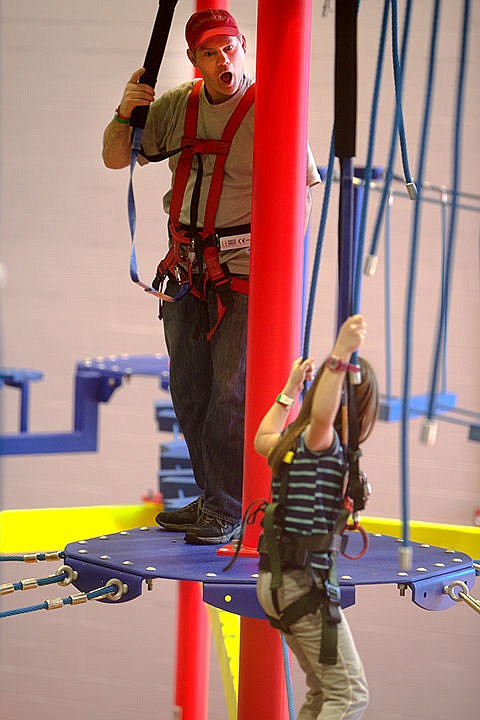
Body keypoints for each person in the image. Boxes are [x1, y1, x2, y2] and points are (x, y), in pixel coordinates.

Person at [102, 8, 320, 545]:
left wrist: (279, 271)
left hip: (245, 274)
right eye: (210, 53)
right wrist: (123, 112)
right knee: (190, 387)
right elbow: (114, 157)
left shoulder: (272, 106)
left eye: (230, 48)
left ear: (244, 46)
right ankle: (211, 496)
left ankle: (227, 506)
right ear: (196, 61)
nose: (224, 60)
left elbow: (302, 192)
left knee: (231, 393)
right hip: (184, 268)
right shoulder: (181, 105)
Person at [254, 314, 378, 720]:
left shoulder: (291, 443)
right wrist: (340, 353)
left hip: (276, 581)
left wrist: (289, 391)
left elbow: (260, 437)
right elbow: (324, 416)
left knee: (324, 694)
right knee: (349, 695)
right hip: (301, 585)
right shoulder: (319, 439)